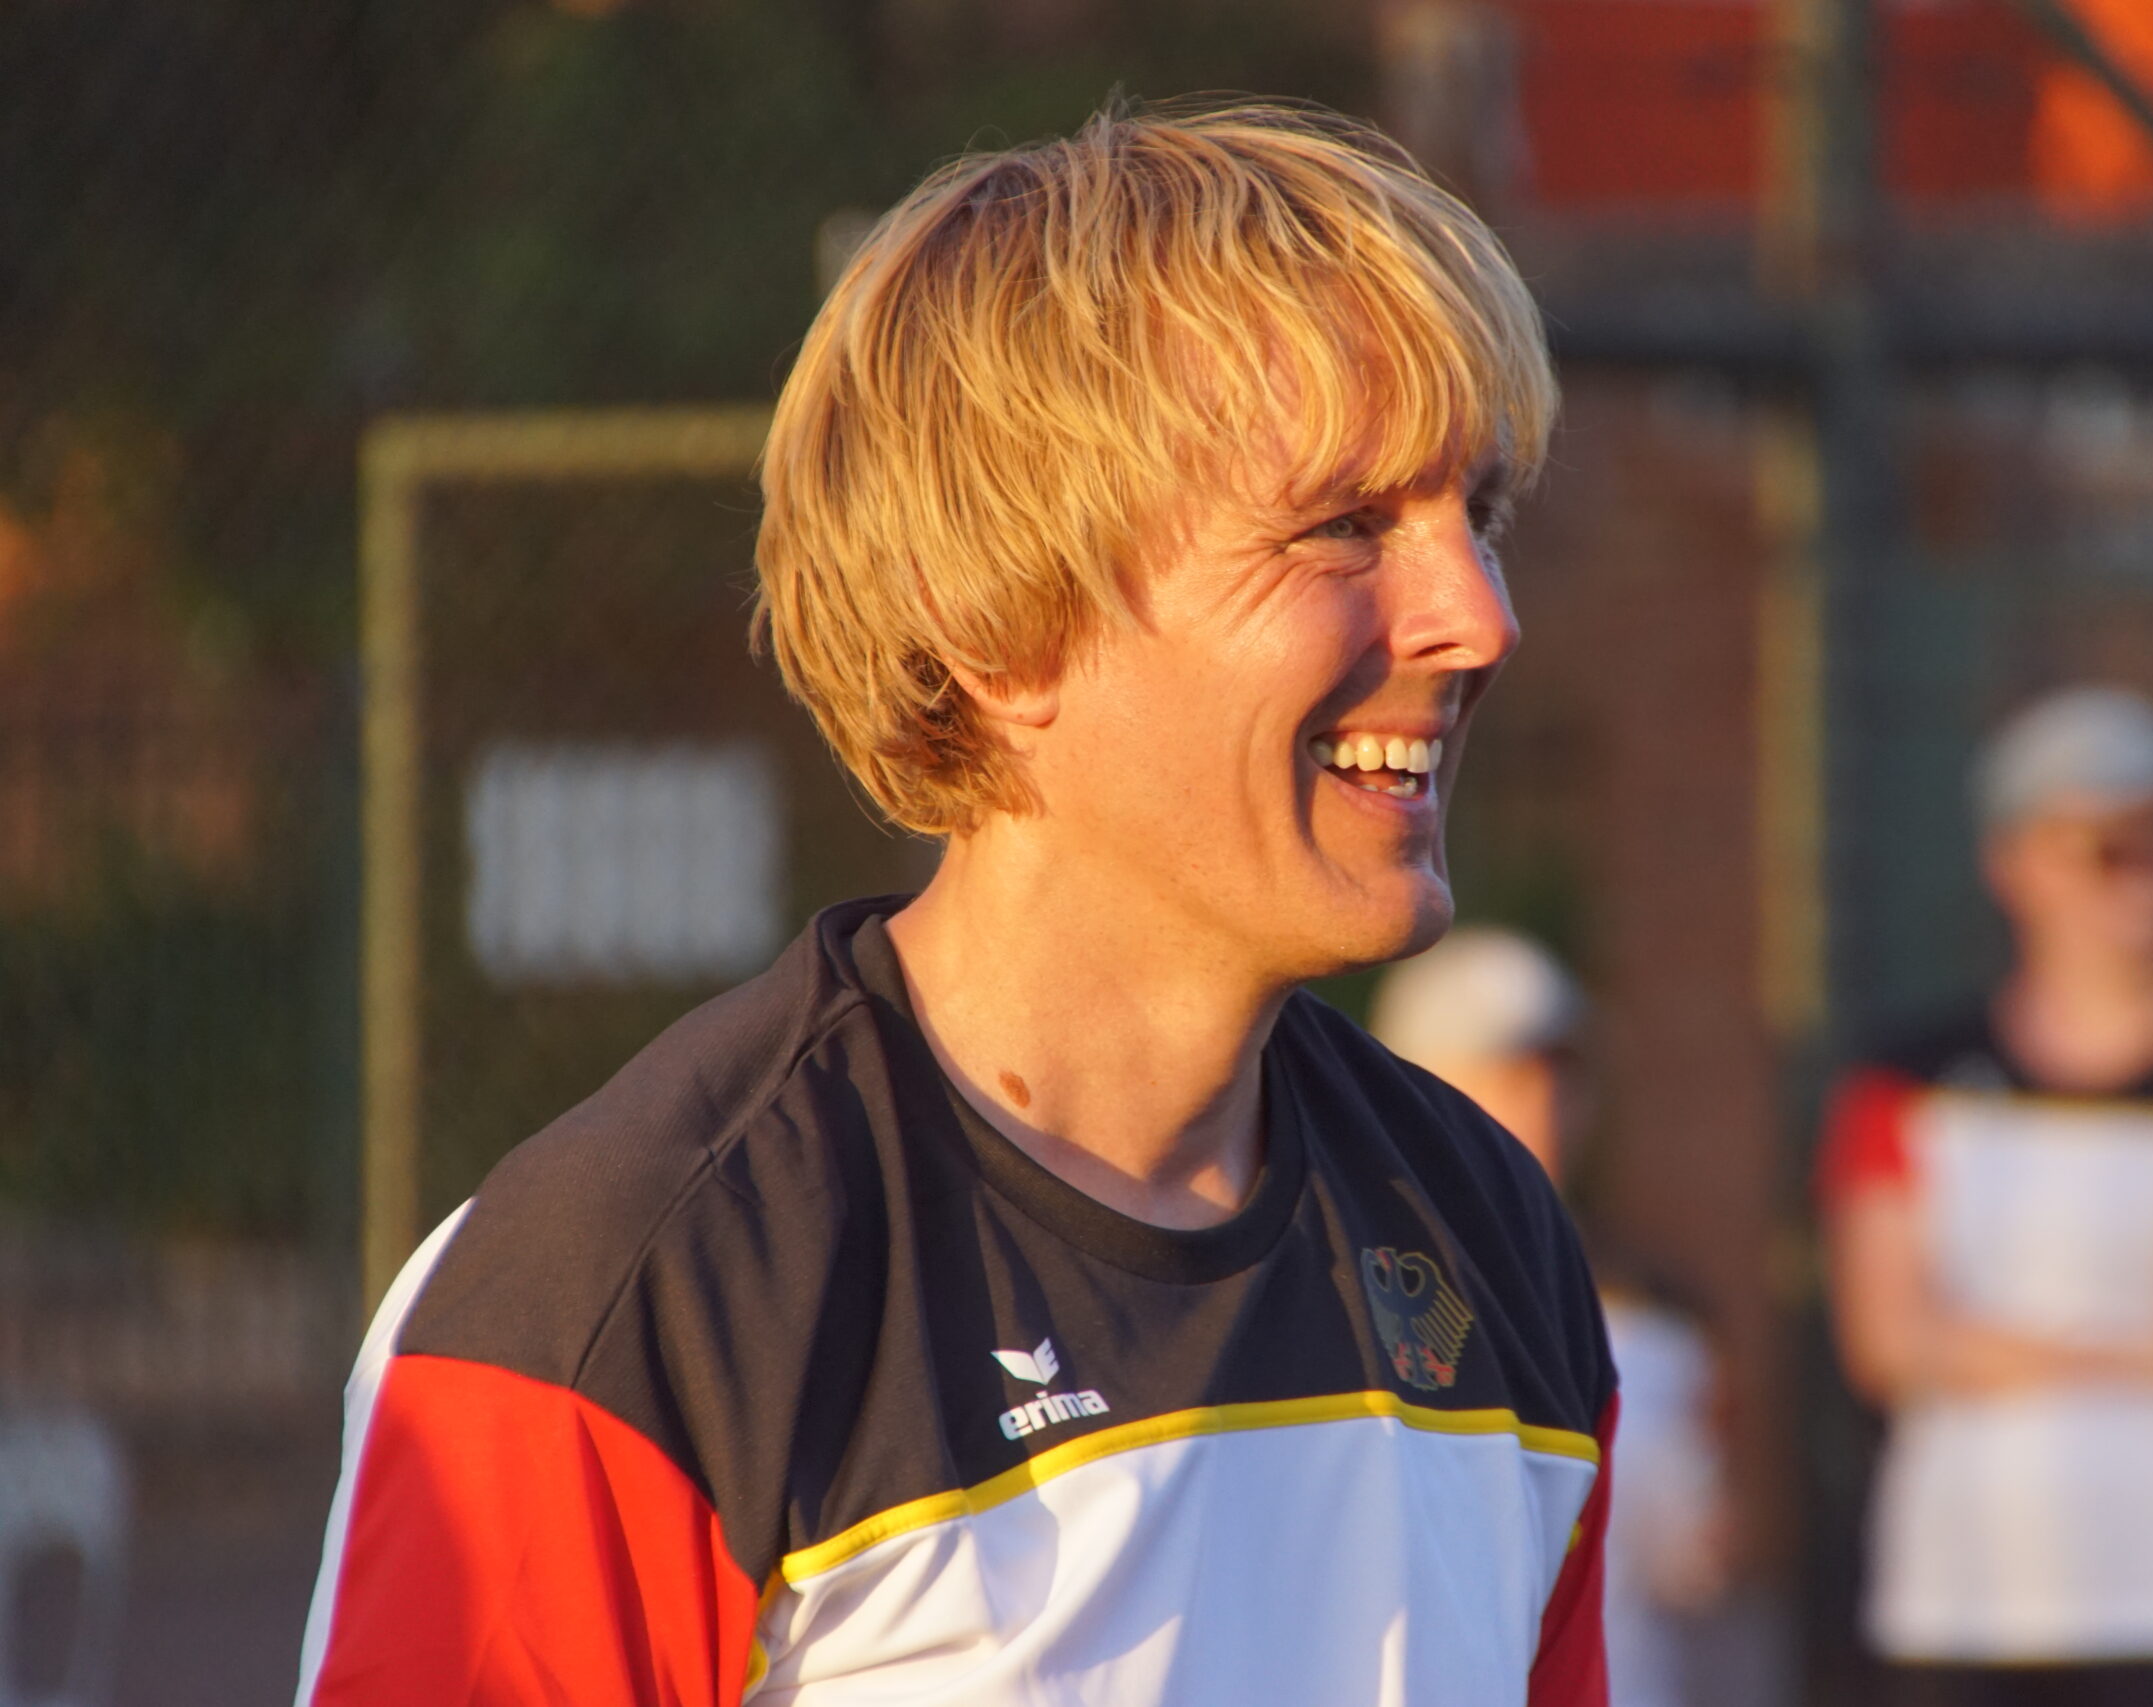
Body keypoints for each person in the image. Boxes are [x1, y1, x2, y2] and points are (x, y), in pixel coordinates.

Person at [294, 103, 1615, 1706]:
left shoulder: (1485, 1235)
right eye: (1345, 526)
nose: (1478, 614)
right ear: (1000, 630)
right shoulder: (638, 1288)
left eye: (1481, 516)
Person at [1820, 687, 2153, 1707]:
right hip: (1971, 1601)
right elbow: (1890, 1342)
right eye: (2112, 850)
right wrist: (2138, 1359)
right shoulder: (1911, 1077)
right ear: (2014, 865)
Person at [1374, 926, 1730, 1707]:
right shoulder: (1335, 1311)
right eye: (1506, 1078)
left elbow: (1703, 1568)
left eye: (1560, 1080)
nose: (1542, 1109)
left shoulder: (1656, 1325)